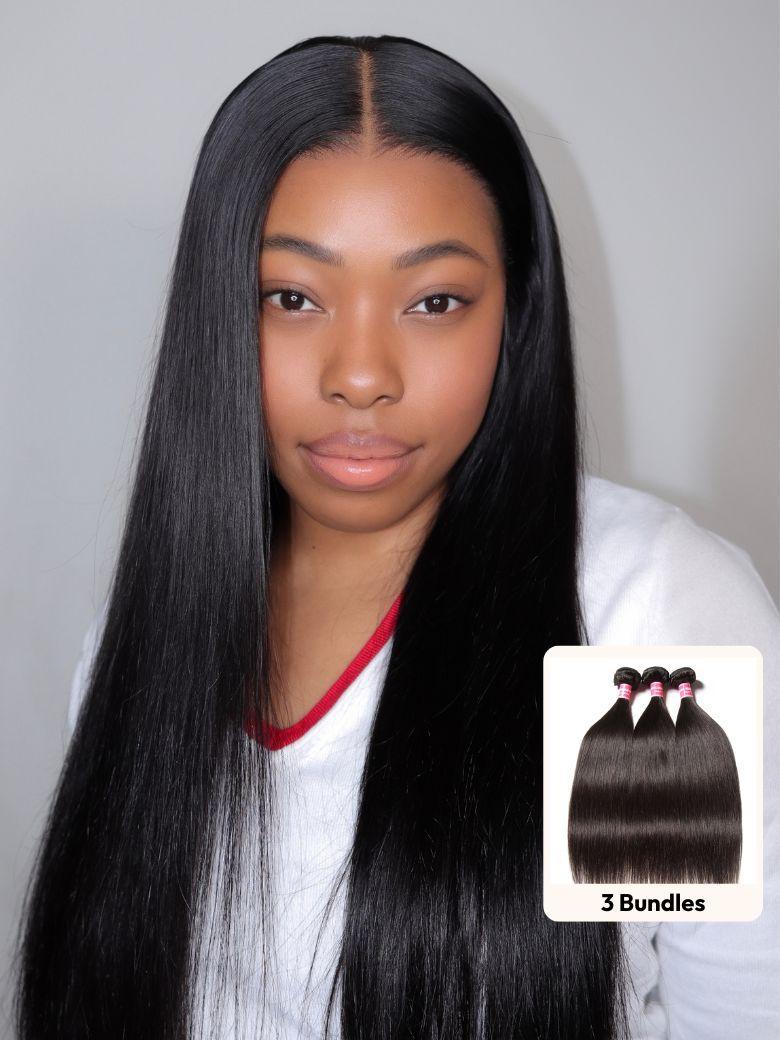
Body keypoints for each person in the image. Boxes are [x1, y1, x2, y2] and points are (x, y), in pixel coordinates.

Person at [12, 33, 780, 1040]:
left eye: (434, 301)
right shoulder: (146, 632)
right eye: (293, 298)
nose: (362, 375)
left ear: (515, 313)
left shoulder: (641, 633)